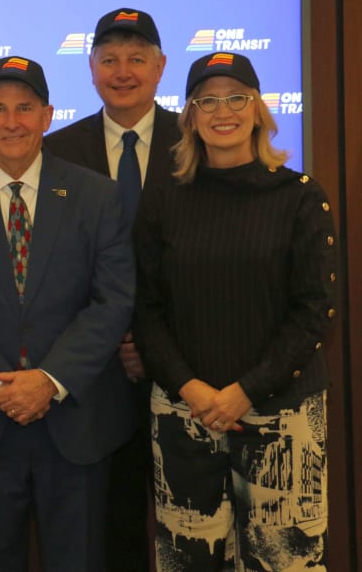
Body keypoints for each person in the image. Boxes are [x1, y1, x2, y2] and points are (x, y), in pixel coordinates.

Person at [0, 56, 136, 571]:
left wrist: (50, 380)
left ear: (47, 115)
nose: (11, 121)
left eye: (25, 108)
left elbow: (114, 299)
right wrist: (1, 386)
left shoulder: (96, 196)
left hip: (74, 422)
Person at [133, 52, 335, 570]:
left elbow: (314, 312)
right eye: (208, 100)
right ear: (191, 115)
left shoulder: (300, 197)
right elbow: (147, 311)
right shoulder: (162, 199)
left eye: (236, 97)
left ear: (258, 109)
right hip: (185, 414)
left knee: (285, 563)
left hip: (282, 415)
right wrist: (192, 389)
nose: (223, 111)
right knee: (189, 560)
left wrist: (245, 392)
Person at [44, 7, 180, 570]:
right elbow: (54, 264)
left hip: (182, 365)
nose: (123, 71)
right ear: (91, 66)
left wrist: (148, 341)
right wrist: (114, 339)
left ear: (161, 67)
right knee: (110, 524)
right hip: (91, 373)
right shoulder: (57, 149)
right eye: (109, 59)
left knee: (190, 522)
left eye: (137, 59)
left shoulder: (198, 139)